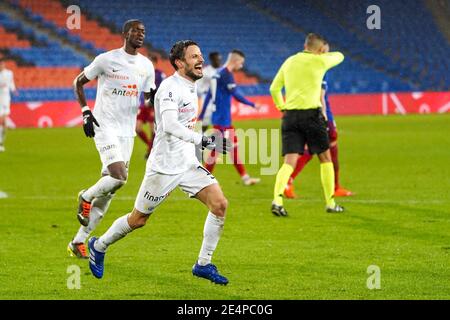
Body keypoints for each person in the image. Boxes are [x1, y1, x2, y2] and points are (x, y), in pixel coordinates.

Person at [88, 40, 231, 285]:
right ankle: (99, 245)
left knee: (220, 205)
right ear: (179, 63)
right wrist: (203, 140)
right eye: (194, 56)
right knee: (138, 220)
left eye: (200, 55)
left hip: (187, 163)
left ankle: (203, 265)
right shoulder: (170, 88)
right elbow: (171, 125)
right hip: (163, 168)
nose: (201, 60)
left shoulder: (190, 85)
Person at [67, 19, 156, 259]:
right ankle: (85, 196)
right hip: (104, 125)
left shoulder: (146, 66)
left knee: (109, 192)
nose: (140, 34)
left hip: (126, 132)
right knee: (119, 176)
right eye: (136, 30)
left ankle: (78, 241)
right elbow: (78, 82)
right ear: (125, 33)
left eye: (143, 31)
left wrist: (158, 101)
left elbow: (149, 97)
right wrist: (86, 112)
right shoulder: (106, 59)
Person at [270, 33, 345, 217]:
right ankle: (330, 203)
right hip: (312, 115)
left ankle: (277, 200)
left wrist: (282, 106)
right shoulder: (320, 61)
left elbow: (274, 88)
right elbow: (340, 56)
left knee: (289, 161)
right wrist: (324, 54)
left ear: (304, 45)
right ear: (320, 49)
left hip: (290, 116)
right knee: (325, 158)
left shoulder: (289, 62)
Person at [284, 42, 353, 199]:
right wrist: (323, 116)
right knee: (321, 150)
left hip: (302, 112)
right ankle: (289, 181)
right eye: (326, 52)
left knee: (324, 149)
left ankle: (335, 186)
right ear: (321, 51)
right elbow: (320, 96)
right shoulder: (320, 67)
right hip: (320, 114)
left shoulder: (300, 65)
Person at [200, 50, 261, 186]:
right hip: (222, 120)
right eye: (241, 62)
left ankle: (245, 178)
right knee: (218, 150)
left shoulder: (217, 74)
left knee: (232, 147)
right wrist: (253, 104)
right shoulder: (226, 75)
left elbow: (209, 95)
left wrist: (202, 114)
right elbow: (236, 95)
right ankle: (202, 179)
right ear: (235, 61)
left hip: (222, 119)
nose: (241, 65)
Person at [136, 54, 166, 159]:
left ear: (154, 63)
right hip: (143, 105)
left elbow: (162, 90)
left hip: (153, 105)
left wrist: (155, 104)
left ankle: (150, 151)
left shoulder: (160, 75)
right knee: (137, 128)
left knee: (152, 130)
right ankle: (151, 146)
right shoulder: (142, 74)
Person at [196, 52, 222, 134]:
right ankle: (201, 136)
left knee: (221, 120)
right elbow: (198, 84)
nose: (219, 61)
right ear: (212, 60)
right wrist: (201, 93)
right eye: (217, 60)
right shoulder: (206, 71)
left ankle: (221, 138)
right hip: (207, 99)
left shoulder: (222, 71)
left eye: (219, 59)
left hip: (219, 98)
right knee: (205, 120)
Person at [0, 58, 17, 152]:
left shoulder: (9, 73)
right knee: (2, 121)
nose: (1, 66)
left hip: (6, 99)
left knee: (3, 121)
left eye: (2, 64)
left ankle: (1, 142)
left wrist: (14, 90)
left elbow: (11, 83)